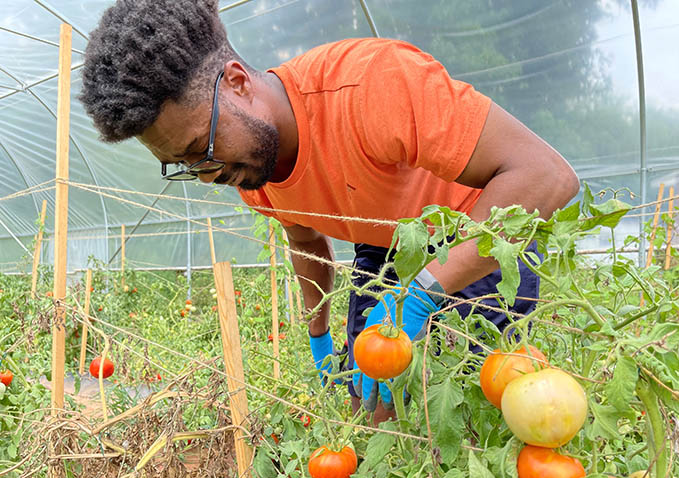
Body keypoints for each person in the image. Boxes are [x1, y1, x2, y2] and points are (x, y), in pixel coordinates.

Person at [80, 0, 579, 425]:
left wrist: (423, 293)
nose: (206, 174)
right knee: (376, 411)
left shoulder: (370, 85)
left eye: (199, 147)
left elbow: (547, 176)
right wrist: (318, 333)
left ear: (235, 82)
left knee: (466, 414)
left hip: (475, 233)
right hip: (384, 247)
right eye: (182, 165)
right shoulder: (249, 163)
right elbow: (305, 241)